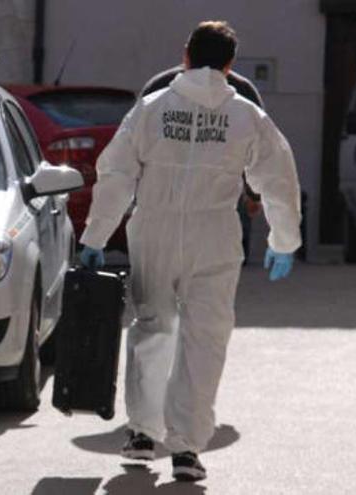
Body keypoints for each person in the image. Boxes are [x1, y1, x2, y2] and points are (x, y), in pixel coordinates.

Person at [79, 21, 302, 482]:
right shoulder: (246, 116)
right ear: (229, 64)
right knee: (205, 339)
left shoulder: (151, 109)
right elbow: (278, 179)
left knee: (152, 327)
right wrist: (285, 239)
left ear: (184, 55)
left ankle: (142, 434)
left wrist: (95, 237)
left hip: (154, 229)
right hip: (215, 234)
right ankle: (185, 449)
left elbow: (117, 174)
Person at [143, 66, 265, 263]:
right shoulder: (241, 89)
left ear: (187, 54)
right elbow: (256, 147)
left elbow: (140, 141)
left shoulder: (161, 85)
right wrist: (253, 194)